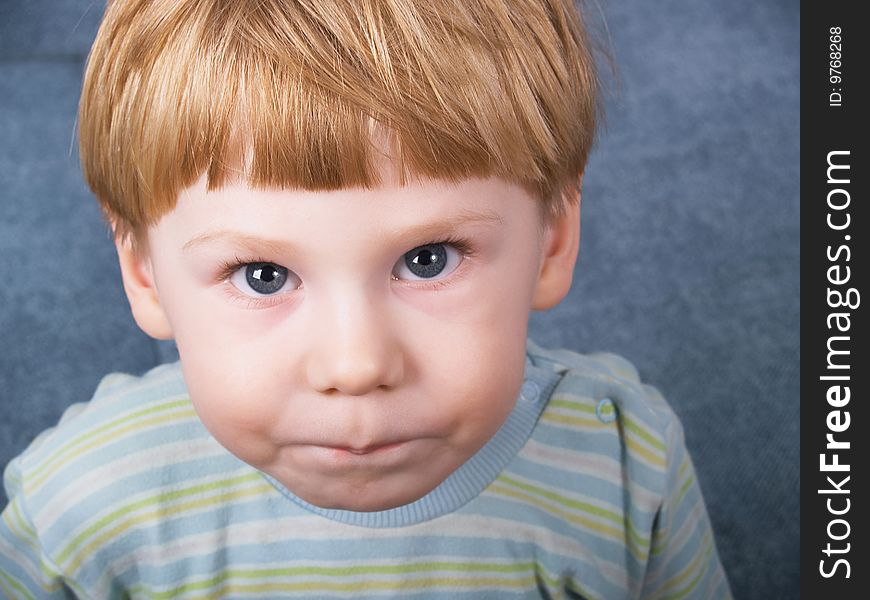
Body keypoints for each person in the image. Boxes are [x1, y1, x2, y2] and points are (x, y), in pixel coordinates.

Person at [0, 0, 731, 597]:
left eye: (427, 259)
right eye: (263, 275)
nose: (356, 365)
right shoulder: (78, 506)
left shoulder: (627, 471)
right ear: (144, 273)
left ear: (552, 240)